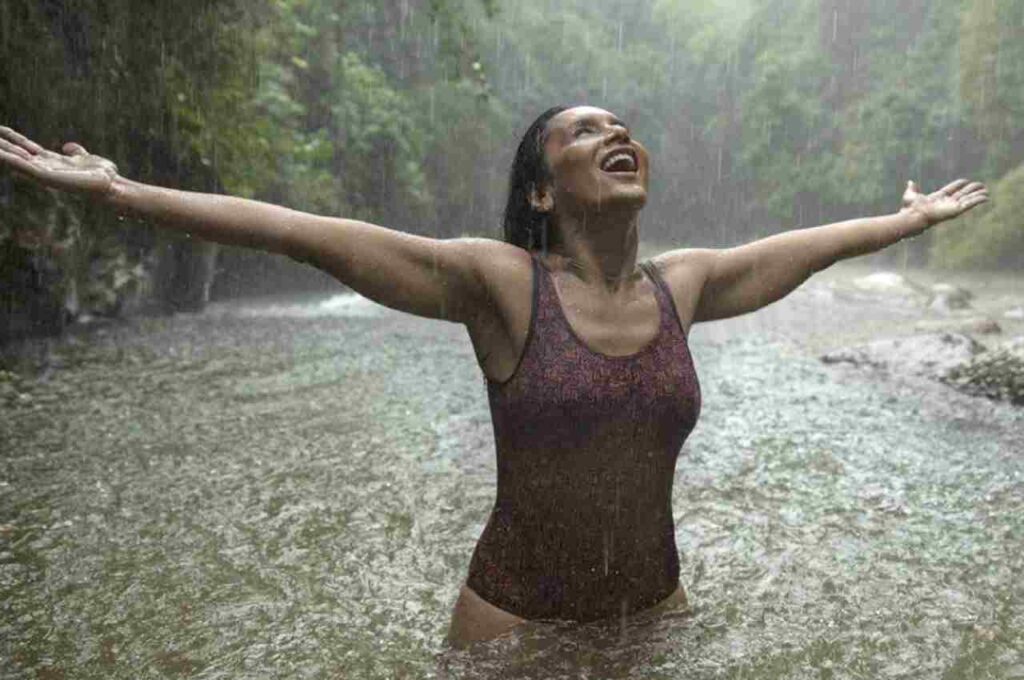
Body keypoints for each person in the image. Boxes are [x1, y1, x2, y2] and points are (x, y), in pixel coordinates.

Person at [0, 107, 990, 647]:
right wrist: (121, 190)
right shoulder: (500, 283)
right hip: (509, 631)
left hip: (654, 616)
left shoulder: (683, 283)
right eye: (582, 132)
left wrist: (905, 223)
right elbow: (308, 235)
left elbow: (803, 247)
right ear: (539, 187)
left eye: (623, 126)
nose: (615, 135)